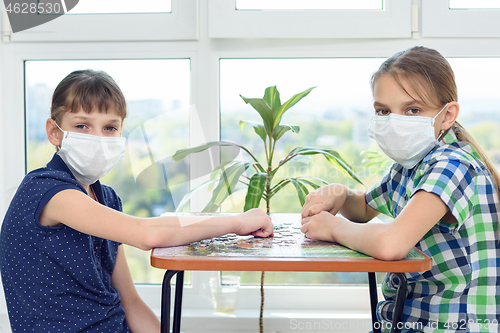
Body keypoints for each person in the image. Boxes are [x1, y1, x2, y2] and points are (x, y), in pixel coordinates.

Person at [0, 69, 273, 333]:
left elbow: (130, 302)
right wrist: (238, 221)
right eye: (82, 125)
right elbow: (149, 234)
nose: (97, 137)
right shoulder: (46, 191)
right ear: (55, 132)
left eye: (110, 127)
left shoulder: (106, 198)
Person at [301, 46, 500, 332]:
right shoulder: (412, 165)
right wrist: (340, 193)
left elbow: (390, 243)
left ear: (447, 116)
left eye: (413, 110)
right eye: (383, 111)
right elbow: (364, 209)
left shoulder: (453, 166)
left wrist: (332, 228)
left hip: (451, 325)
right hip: (408, 320)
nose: (395, 122)